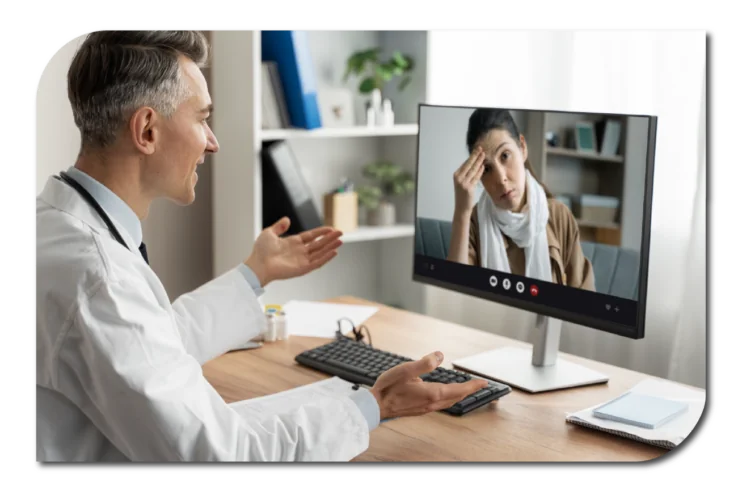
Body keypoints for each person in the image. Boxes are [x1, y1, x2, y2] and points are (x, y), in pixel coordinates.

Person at [35, 30, 488, 462]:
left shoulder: (59, 228)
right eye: (202, 119)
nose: (212, 143)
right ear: (147, 131)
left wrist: (255, 273)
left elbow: (150, 344)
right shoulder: (99, 278)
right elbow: (224, 453)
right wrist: (374, 406)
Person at [447, 108, 595, 291]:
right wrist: (461, 211)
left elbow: (585, 302)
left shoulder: (559, 217)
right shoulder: (474, 222)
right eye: (486, 169)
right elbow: (453, 297)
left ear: (522, 148)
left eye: (505, 156)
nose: (501, 178)